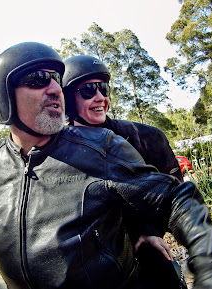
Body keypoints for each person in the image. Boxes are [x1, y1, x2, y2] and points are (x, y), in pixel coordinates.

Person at [0, 42, 212, 289]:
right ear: (4, 96)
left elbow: (172, 199)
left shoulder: (102, 148)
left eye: (55, 79)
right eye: (39, 80)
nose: (54, 88)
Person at [62, 55, 184, 288]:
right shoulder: (58, 149)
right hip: (87, 257)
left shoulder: (144, 137)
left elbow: (173, 188)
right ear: (68, 99)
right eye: (88, 90)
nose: (100, 97)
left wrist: (151, 231)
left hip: (139, 247)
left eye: (103, 88)